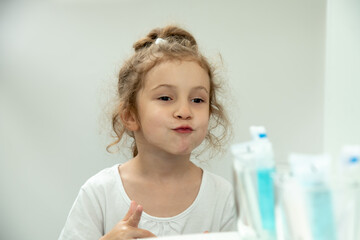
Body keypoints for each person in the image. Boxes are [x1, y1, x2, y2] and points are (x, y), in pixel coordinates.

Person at [59, 25, 237, 240]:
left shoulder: (223, 197)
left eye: (198, 100)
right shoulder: (99, 193)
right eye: (165, 98)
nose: (184, 111)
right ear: (131, 116)